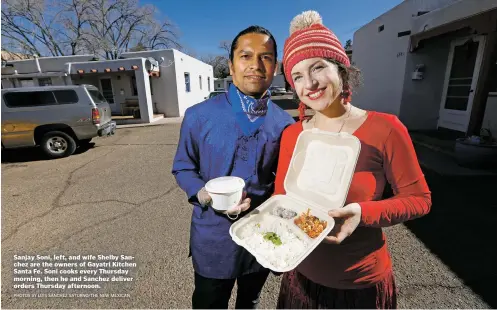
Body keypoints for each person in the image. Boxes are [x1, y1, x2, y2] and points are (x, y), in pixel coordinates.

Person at [274, 11, 432, 309]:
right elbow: (281, 198)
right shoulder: (292, 135)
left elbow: (419, 199)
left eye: (318, 67)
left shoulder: (385, 128)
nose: (309, 83)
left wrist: (363, 213)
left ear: (341, 69)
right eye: (297, 75)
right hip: (301, 277)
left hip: (361, 285)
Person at [171, 25, 294, 309]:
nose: (255, 65)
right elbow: (183, 167)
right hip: (213, 236)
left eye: (265, 57)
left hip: (261, 234)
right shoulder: (199, 115)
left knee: (250, 301)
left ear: (275, 67)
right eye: (246, 56)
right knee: (208, 302)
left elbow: (286, 182)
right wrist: (204, 195)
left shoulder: (285, 124)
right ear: (230, 65)